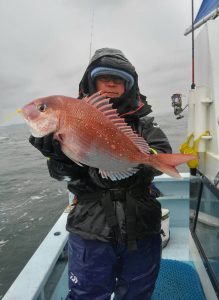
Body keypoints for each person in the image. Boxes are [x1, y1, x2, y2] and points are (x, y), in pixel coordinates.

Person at [29, 48, 172, 300]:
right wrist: (59, 156)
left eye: (119, 79)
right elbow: (62, 176)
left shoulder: (144, 123)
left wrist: (134, 160)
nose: (111, 83)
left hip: (142, 224)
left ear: (129, 86)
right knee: (87, 295)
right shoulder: (73, 117)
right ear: (90, 82)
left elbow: (162, 152)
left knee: (138, 294)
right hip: (90, 226)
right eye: (103, 77)